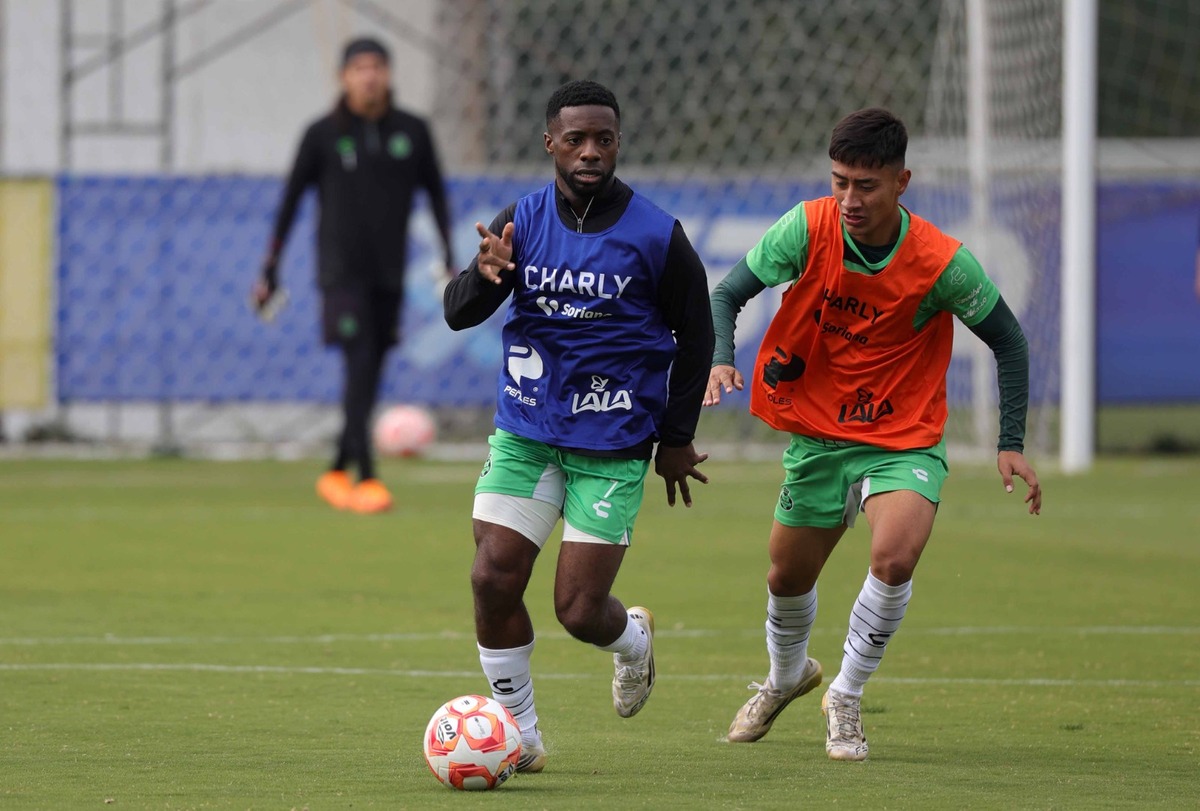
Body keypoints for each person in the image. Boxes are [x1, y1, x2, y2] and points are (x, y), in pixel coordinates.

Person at [706, 108, 1042, 761]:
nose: (850, 199)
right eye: (839, 182)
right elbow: (727, 294)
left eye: (866, 185)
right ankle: (786, 676)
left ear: (901, 182)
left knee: (894, 557)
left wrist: (1010, 441)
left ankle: (846, 694)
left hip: (904, 436)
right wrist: (722, 358)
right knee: (785, 576)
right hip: (818, 434)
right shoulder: (806, 228)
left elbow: (1010, 340)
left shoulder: (942, 262)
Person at [443, 80, 714, 773]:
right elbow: (457, 313)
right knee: (492, 577)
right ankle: (520, 734)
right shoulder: (521, 222)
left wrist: (676, 438)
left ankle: (633, 642)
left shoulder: (656, 234)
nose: (590, 151)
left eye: (604, 139)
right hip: (527, 431)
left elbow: (697, 334)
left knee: (578, 610)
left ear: (617, 144)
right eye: (576, 139)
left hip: (612, 444)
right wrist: (483, 277)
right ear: (550, 144)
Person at [253, 36, 455, 514]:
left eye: (377, 67)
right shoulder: (322, 134)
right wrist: (270, 268)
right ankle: (367, 477)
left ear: (389, 74)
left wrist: (449, 256)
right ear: (344, 77)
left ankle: (336, 469)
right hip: (340, 273)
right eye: (360, 68)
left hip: (390, 272)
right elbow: (289, 203)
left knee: (372, 366)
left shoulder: (412, 131)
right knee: (359, 362)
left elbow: (437, 195)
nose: (369, 76)